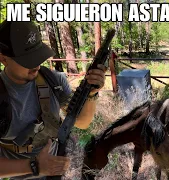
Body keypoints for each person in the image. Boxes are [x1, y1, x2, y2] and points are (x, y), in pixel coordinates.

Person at [0, 20, 107, 179]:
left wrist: (91, 93)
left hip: (56, 172)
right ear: (3, 59)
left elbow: (81, 122)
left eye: (37, 56)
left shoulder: (53, 81)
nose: (36, 64)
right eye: (27, 60)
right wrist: (35, 166)